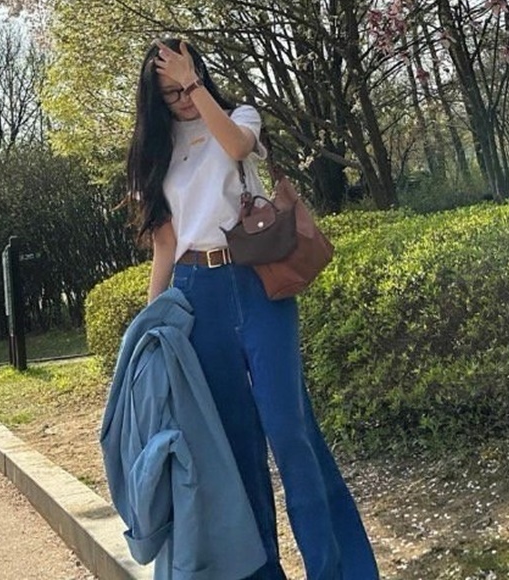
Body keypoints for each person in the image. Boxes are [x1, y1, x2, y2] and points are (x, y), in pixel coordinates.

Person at [126, 38, 379, 580]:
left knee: (290, 430)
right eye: (171, 93)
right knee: (235, 444)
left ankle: (337, 569)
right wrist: (153, 328)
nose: (183, 100)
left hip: (257, 281)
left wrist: (194, 84)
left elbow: (237, 147)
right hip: (195, 293)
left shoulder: (239, 116)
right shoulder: (155, 151)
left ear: (200, 75)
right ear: (154, 98)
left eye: (187, 84)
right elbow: (165, 246)